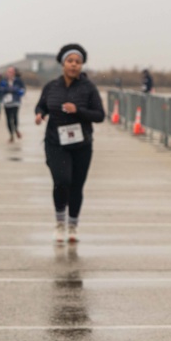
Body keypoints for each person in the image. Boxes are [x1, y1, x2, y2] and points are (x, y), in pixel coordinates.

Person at [34, 44, 105, 244]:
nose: (74, 65)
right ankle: (60, 223)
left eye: (78, 62)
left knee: (76, 186)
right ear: (63, 63)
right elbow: (41, 105)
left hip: (81, 144)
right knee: (61, 181)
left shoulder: (88, 88)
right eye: (70, 61)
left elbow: (99, 115)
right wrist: (40, 114)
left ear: (81, 65)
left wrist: (78, 110)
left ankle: (73, 225)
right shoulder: (51, 86)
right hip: (55, 142)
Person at [0, 66, 26, 141]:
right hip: (6, 102)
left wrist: (18, 91)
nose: (10, 73)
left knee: (15, 117)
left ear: (14, 73)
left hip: (15, 102)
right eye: (8, 72)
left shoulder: (18, 80)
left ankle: (16, 129)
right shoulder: (3, 81)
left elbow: (22, 89)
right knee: (8, 119)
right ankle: (11, 135)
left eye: (11, 72)